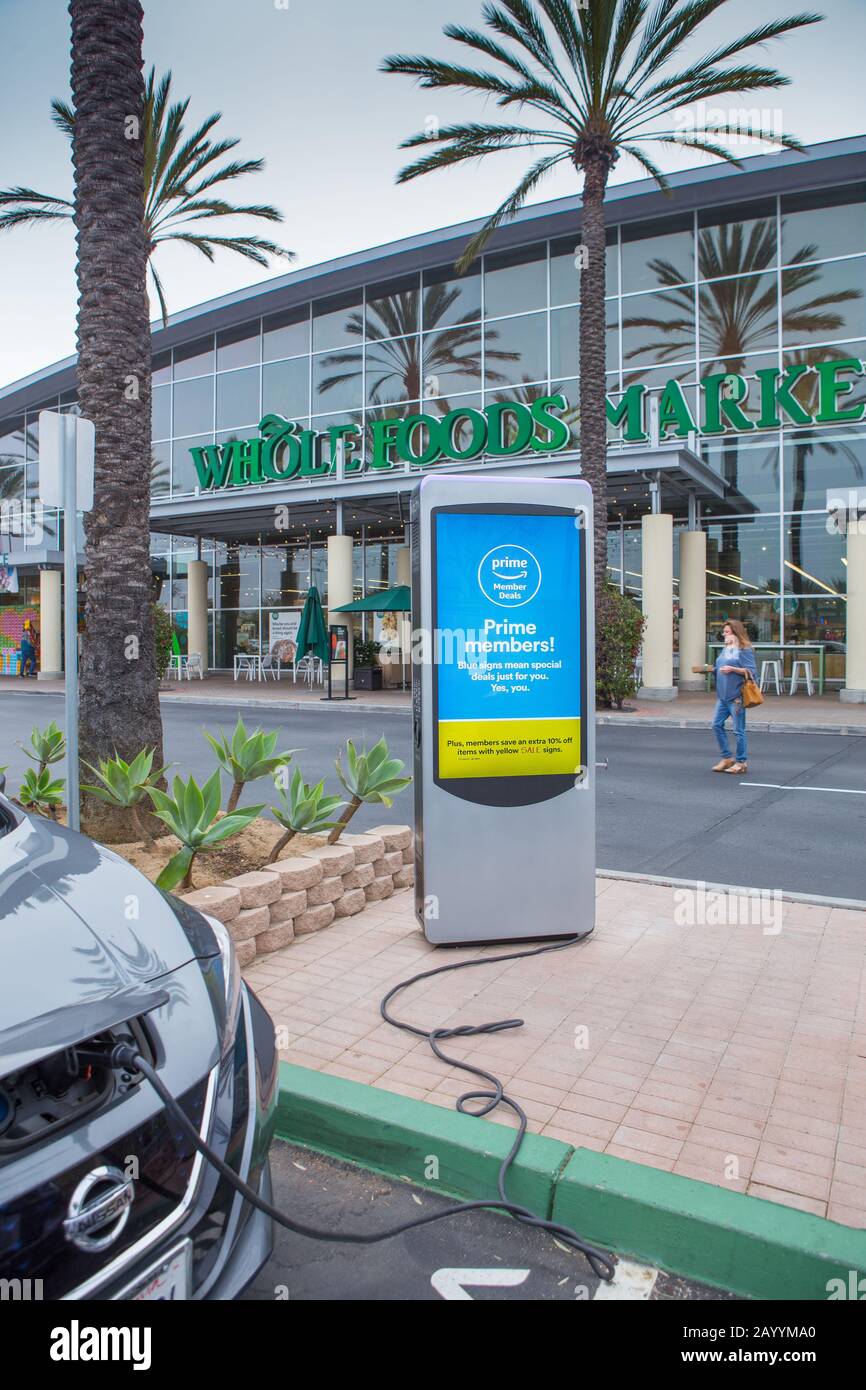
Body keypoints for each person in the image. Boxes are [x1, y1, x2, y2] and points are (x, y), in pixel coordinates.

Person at [694, 619, 758, 775]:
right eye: (724, 632)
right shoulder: (726, 649)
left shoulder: (744, 650)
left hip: (736, 697)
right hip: (722, 696)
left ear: (736, 633)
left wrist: (732, 669)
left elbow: (752, 672)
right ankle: (727, 758)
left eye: (727, 632)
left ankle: (741, 762)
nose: (724, 634)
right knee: (716, 725)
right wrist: (709, 669)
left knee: (738, 730)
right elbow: (720, 668)